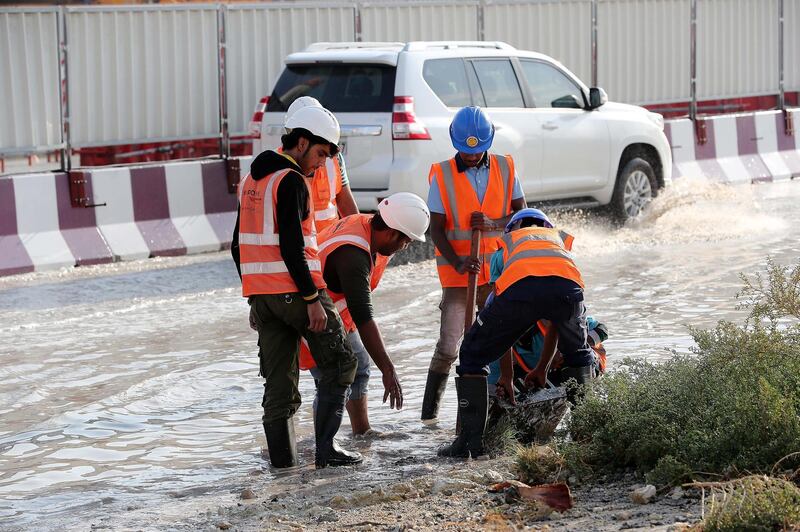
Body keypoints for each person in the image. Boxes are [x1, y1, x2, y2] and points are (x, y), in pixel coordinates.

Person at [231, 105, 360, 469]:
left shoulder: (253, 180)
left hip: (264, 299)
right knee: (341, 364)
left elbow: (236, 245)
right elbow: (292, 247)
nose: (321, 165)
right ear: (301, 142)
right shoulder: (291, 181)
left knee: (278, 386)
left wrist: (255, 297)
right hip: (298, 293)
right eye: (319, 154)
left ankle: (283, 467)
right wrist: (311, 299)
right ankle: (326, 452)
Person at [438, 208, 594, 458]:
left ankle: (469, 444)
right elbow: (555, 321)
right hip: (568, 291)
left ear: (511, 229)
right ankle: (589, 434)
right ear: (546, 226)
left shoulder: (506, 247)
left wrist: (507, 376)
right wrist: (542, 368)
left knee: (471, 353)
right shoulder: (558, 241)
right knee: (579, 355)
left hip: (520, 292)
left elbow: (498, 319)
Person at [421, 106, 526, 423]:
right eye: (464, 151)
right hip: (458, 276)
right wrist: (459, 261)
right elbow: (435, 229)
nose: (470, 156)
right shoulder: (441, 174)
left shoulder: (506, 168)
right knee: (450, 345)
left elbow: (522, 217)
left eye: (476, 151)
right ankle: (430, 415)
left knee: (499, 334)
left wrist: (493, 223)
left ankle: (502, 395)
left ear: (488, 143)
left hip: (496, 270)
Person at [299, 193, 431, 435]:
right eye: (406, 242)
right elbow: (364, 316)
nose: (404, 248)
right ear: (392, 233)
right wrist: (389, 370)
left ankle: (361, 432)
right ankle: (324, 446)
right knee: (332, 381)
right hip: (311, 318)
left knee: (358, 367)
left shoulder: (366, 225)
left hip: (333, 316)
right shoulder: (353, 254)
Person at [282, 97, 359, 234]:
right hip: (300, 251)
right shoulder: (277, 165)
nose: (323, 162)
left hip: (328, 248)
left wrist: (360, 236)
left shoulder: (335, 160)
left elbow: (346, 205)